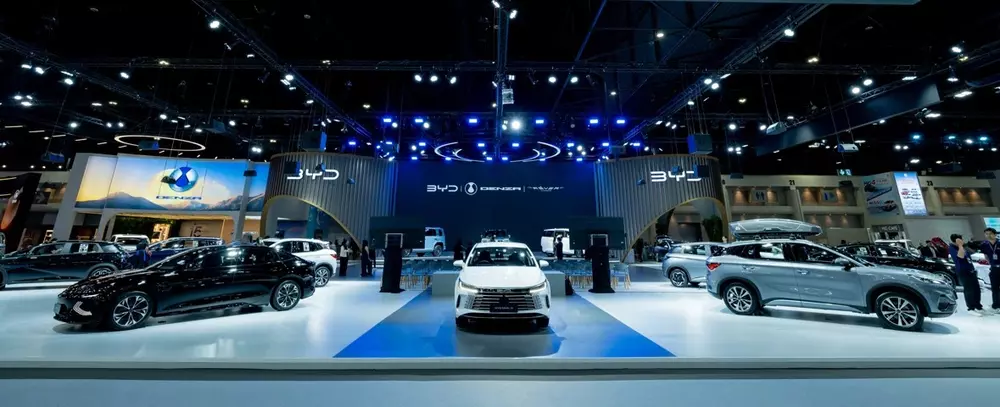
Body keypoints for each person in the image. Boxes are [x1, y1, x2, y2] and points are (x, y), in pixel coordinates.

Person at [950, 234, 989, 316]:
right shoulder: (952, 248)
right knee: (969, 290)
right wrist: (960, 245)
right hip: (963, 272)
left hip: (971, 270)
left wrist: (965, 245)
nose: (962, 241)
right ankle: (971, 308)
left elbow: (971, 252)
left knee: (976, 289)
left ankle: (978, 306)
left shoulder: (963, 247)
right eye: (960, 240)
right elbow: (960, 257)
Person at [980, 228, 1000, 312]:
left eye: (990, 233)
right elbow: (986, 256)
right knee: (995, 288)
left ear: (995, 234)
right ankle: (996, 306)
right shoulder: (984, 245)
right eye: (986, 234)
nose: (988, 235)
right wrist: (991, 264)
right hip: (994, 268)